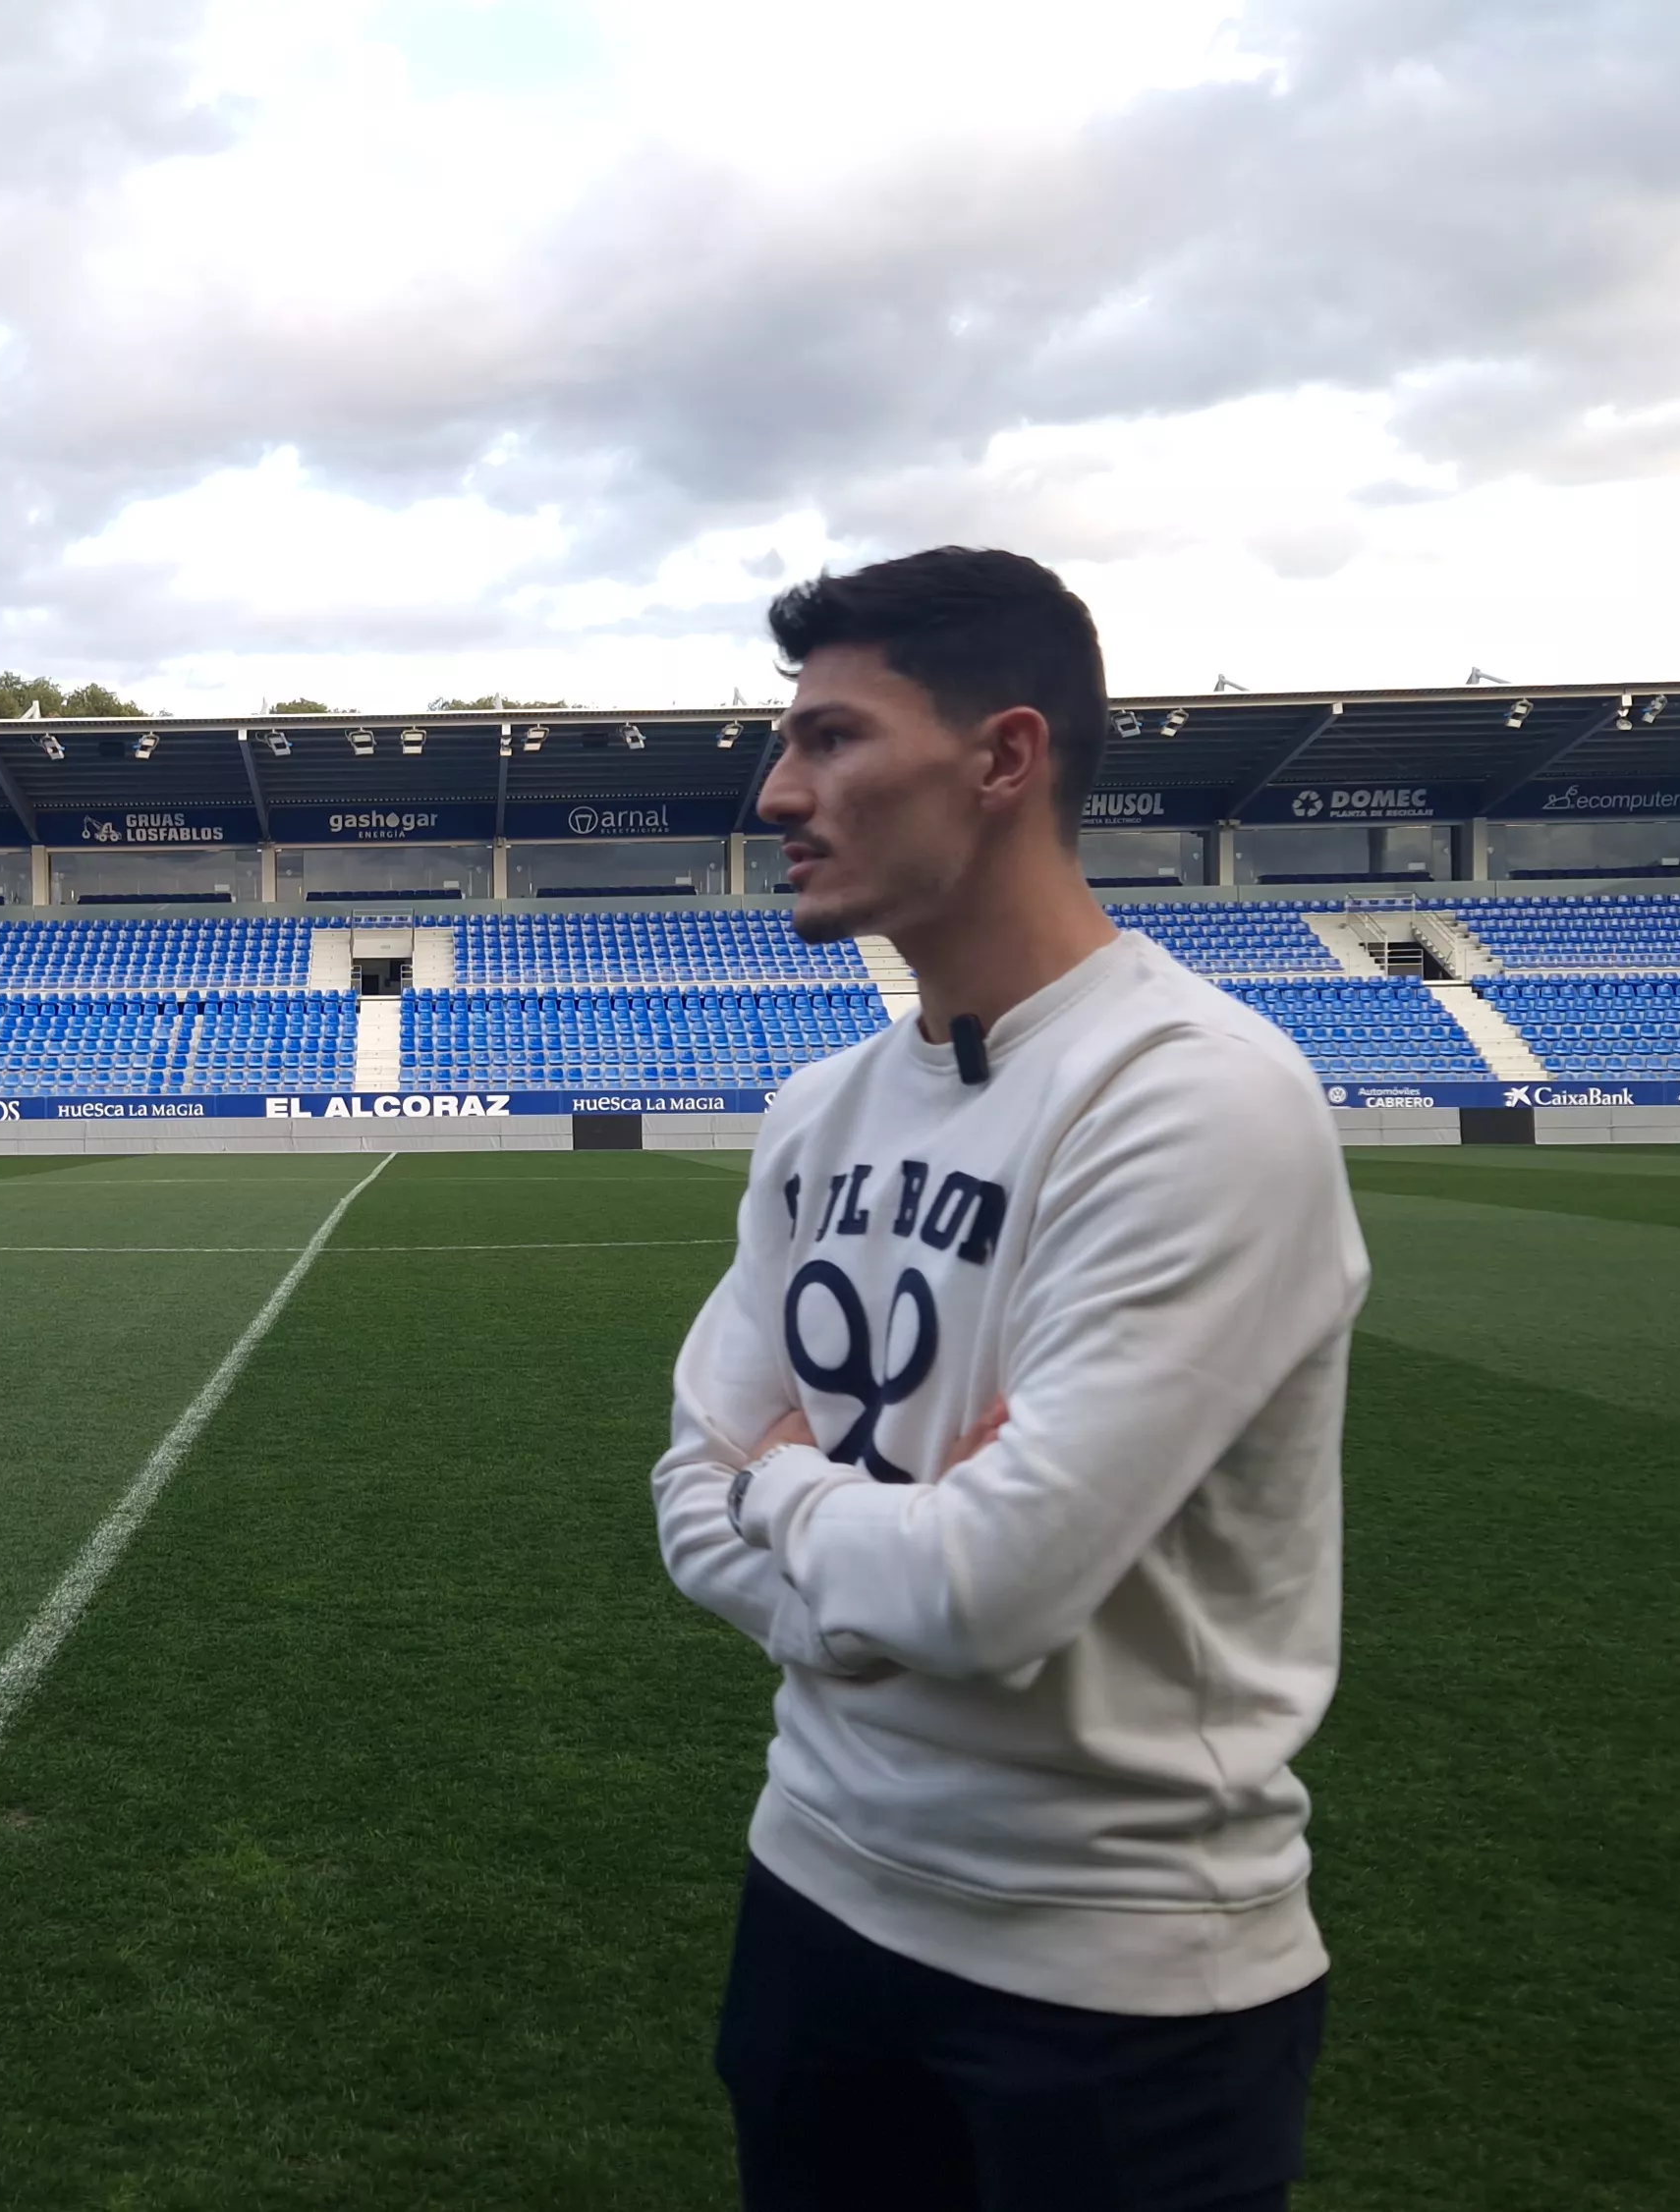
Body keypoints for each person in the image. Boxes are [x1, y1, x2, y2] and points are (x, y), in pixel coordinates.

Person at [656, 548, 1368, 2211]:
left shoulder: (1190, 1100)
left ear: (1002, 758)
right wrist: (869, 1556)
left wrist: (787, 1487)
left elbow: (985, 1590)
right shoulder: (819, 1107)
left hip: (1117, 1982)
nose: (778, 792)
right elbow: (684, 1500)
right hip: (813, 1896)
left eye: (832, 739)